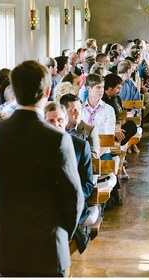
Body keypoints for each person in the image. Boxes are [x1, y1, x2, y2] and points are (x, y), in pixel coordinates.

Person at [0, 60, 83, 277]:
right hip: (49, 245)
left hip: (8, 247)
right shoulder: (57, 139)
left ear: (14, 91)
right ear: (47, 91)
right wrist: (62, 231)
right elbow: (74, 196)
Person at [44, 103, 93, 254]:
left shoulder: (80, 146)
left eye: (59, 120)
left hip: (72, 204)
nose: (56, 124)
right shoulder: (38, 146)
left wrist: (70, 198)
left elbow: (88, 184)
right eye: (50, 121)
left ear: (66, 120)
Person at [60, 93, 99, 159]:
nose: (78, 113)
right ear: (63, 111)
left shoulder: (90, 130)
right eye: (73, 110)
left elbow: (94, 156)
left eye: (79, 109)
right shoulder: (57, 128)